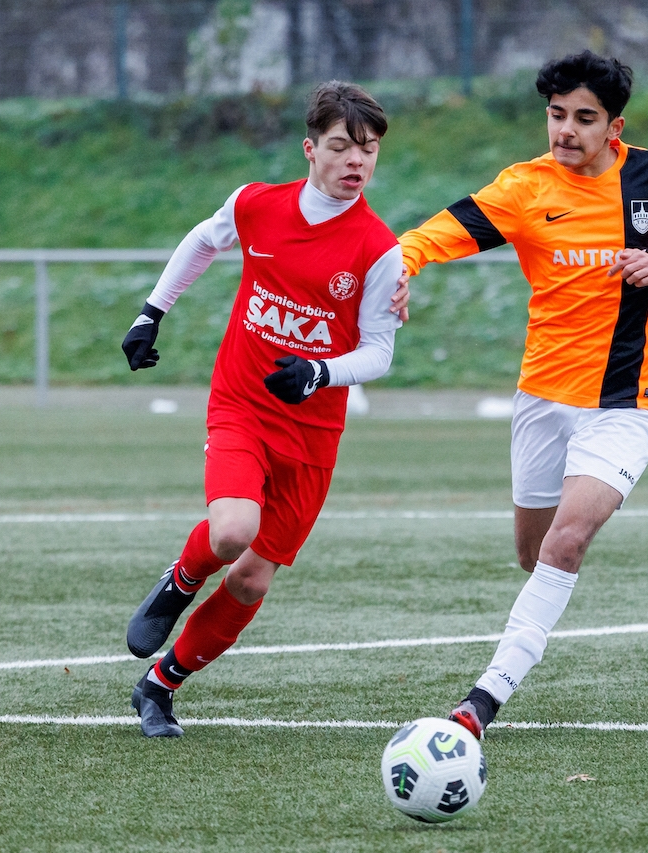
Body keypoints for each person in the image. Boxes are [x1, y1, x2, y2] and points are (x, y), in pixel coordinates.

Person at [398, 51, 648, 739]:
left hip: (625, 401)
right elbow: (435, 234)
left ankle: (481, 702)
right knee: (533, 552)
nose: (565, 130)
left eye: (584, 118)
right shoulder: (524, 187)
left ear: (614, 127)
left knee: (566, 543)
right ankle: (529, 628)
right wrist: (404, 266)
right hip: (542, 396)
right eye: (556, 114)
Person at [121, 80, 408, 737]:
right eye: (340, 146)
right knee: (231, 533)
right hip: (243, 404)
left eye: (368, 150)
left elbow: (379, 353)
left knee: (251, 580)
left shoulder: (379, 250)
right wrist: (152, 312)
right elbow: (204, 240)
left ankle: (159, 686)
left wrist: (320, 372)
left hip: (313, 433)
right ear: (310, 149)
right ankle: (179, 582)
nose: (355, 161)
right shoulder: (257, 204)